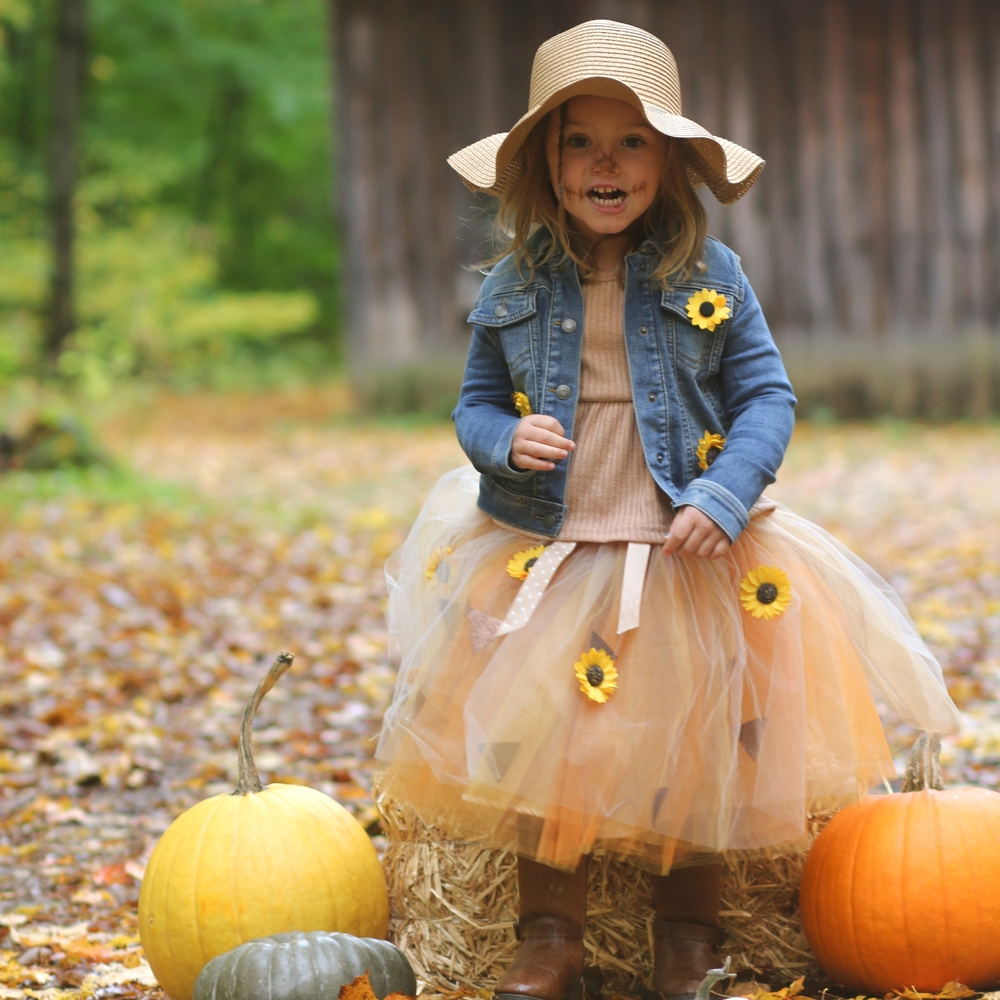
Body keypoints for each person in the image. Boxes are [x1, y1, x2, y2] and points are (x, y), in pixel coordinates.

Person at [374, 19, 960, 1000]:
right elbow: (474, 402)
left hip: (684, 541)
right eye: (580, 142)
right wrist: (499, 440)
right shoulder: (516, 283)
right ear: (546, 166)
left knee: (695, 749)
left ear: (669, 162)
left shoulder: (711, 276)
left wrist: (727, 494)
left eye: (631, 141)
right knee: (543, 746)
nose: (606, 163)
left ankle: (688, 939)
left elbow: (767, 395)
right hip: (556, 543)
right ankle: (548, 935)